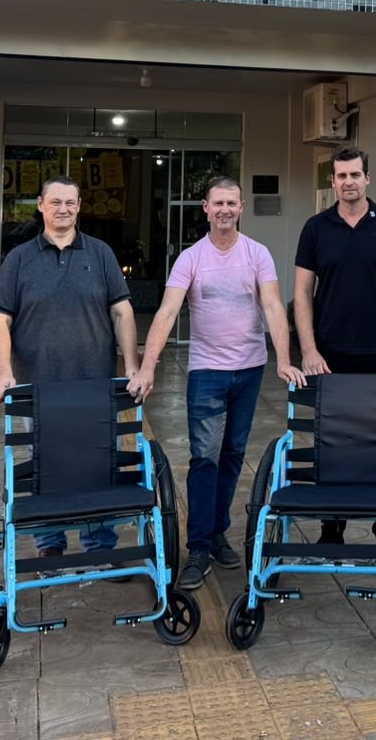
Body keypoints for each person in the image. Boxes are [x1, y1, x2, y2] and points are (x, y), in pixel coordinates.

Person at [128, 177, 297, 591]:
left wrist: (284, 359)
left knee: (233, 454)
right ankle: (199, 547)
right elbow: (167, 312)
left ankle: (218, 533)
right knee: (205, 458)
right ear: (205, 207)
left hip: (250, 369)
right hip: (206, 372)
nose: (224, 210)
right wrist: (148, 367)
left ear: (241, 208)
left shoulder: (257, 254)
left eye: (231, 203)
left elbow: (273, 305)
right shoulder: (191, 258)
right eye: (217, 203)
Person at [0, 175, 139, 559]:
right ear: (40, 205)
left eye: (70, 202)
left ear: (79, 206)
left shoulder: (100, 253)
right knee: (45, 463)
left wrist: (133, 367)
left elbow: (122, 312)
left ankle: (99, 545)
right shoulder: (19, 259)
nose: (63, 209)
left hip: (95, 385)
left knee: (99, 463)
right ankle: (50, 543)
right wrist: (4, 373)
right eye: (55, 202)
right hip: (39, 387)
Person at [291, 147, 376, 545]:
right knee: (331, 438)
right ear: (333, 181)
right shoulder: (315, 228)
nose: (348, 182)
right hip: (329, 354)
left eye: (355, 175)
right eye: (341, 175)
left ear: (367, 178)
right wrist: (309, 351)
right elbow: (302, 294)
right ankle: (332, 527)